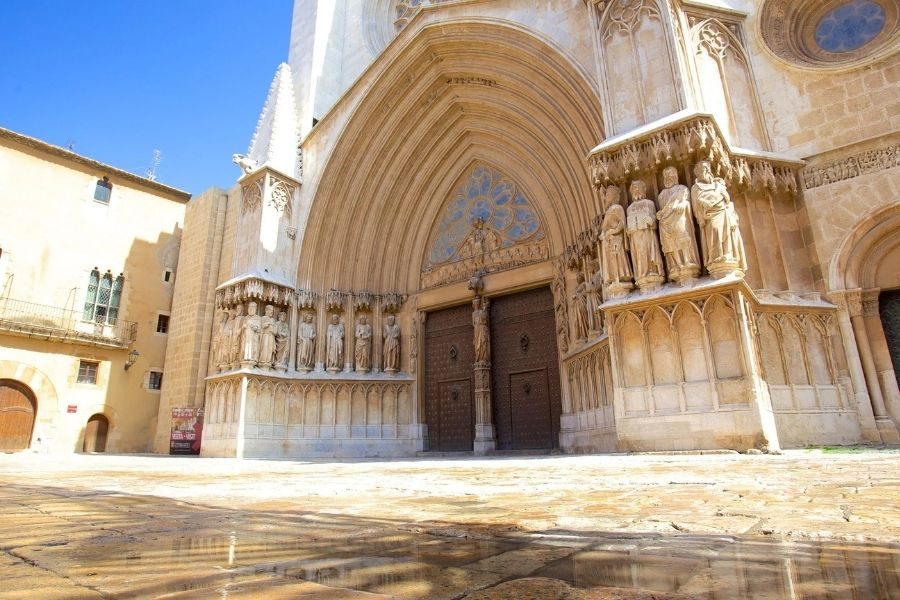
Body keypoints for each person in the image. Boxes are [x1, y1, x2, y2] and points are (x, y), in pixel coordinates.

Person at [657, 166, 700, 281]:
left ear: (676, 176)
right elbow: (663, 210)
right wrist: (660, 214)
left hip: (679, 217)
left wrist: (683, 205)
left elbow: (687, 202)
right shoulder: (662, 195)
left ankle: (688, 260)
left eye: (671, 174)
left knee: (683, 237)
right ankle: (676, 264)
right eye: (666, 175)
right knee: (670, 243)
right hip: (667, 222)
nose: (668, 177)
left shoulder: (682, 189)